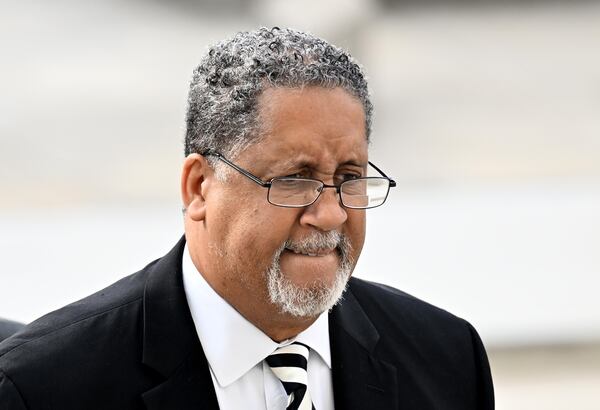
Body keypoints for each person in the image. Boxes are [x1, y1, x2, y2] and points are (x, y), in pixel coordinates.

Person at [0, 27, 494, 409]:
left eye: (349, 177)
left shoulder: (447, 359)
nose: (329, 214)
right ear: (199, 187)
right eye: (294, 179)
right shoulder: (45, 386)